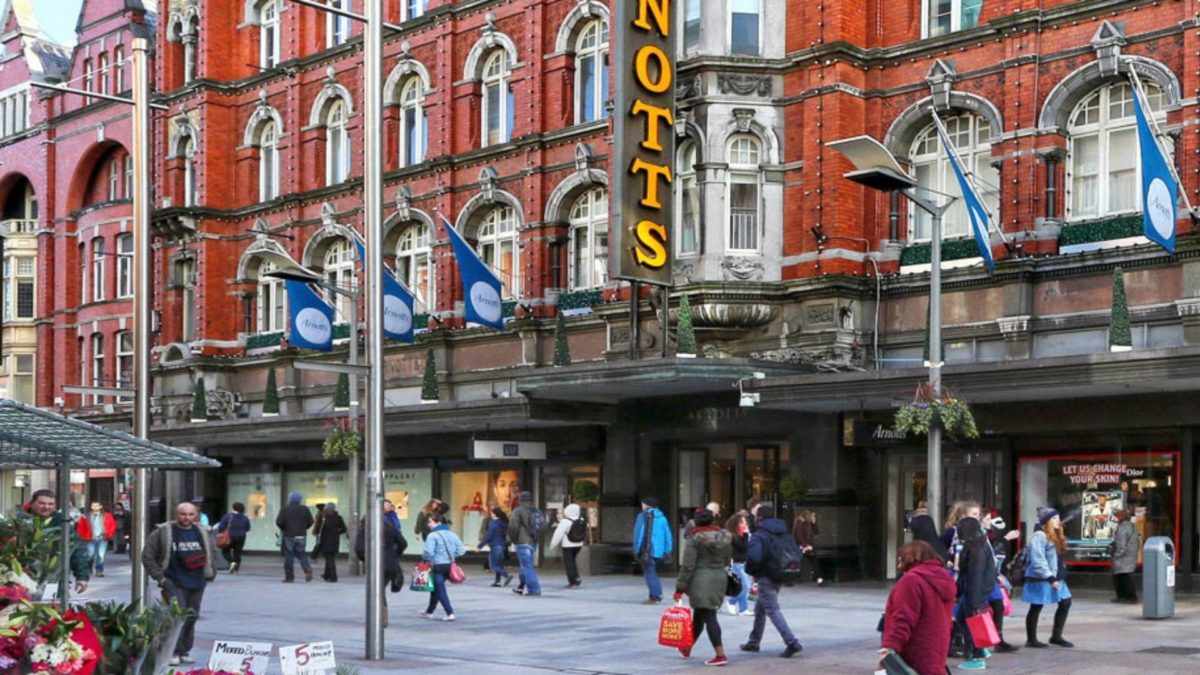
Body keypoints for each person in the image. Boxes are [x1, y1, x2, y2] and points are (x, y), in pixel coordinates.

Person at [143, 502, 216, 667]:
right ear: (177, 514)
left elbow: (212, 552)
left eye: (191, 514)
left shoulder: (202, 532)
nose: (187, 518)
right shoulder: (162, 532)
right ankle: (171, 651)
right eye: (183, 514)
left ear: (195, 515)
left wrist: (210, 573)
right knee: (176, 617)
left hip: (197, 581)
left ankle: (184, 650)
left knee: (191, 617)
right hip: (174, 581)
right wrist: (161, 578)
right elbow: (148, 556)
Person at [879, 541, 958, 675]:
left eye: (901, 560)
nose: (899, 566)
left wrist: (889, 647)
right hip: (936, 646)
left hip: (914, 648)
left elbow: (904, 619)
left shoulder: (911, 580)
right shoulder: (943, 578)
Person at [740, 504, 803, 658]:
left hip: (765, 575)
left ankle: (791, 642)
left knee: (772, 609)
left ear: (759, 518)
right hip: (780, 573)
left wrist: (751, 570)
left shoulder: (759, 535)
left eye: (755, 517)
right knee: (760, 608)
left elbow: (754, 557)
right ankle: (754, 641)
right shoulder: (783, 532)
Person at [674, 508, 734, 666]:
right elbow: (727, 560)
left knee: (708, 615)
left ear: (696, 521)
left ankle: (720, 654)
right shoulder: (724, 537)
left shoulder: (694, 539)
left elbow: (688, 566)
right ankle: (686, 648)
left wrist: (680, 588)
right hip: (719, 577)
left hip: (701, 580)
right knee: (700, 615)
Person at [20, 489, 90, 594]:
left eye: (50, 504)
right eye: (42, 503)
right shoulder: (20, 520)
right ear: (32, 503)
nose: (46, 507)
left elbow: (77, 550)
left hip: (55, 579)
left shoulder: (62, 522)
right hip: (22, 578)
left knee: (55, 607)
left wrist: (82, 576)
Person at [1022, 507, 1073, 649]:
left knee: (1065, 602)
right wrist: (1050, 578)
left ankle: (1056, 636)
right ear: (1046, 521)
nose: (1058, 521)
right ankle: (1031, 639)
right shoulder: (1039, 536)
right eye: (1054, 518)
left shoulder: (1053, 534)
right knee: (1036, 606)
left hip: (1056, 577)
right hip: (1043, 578)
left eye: (1058, 518)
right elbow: (1038, 560)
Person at [953, 516, 998, 671]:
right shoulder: (979, 544)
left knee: (972, 623)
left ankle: (977, 655)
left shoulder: (976, 550)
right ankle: (979, 650)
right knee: (963, 620)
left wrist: (974, 601)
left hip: (975, 593)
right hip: (975, 592)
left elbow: (974, 577)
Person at [354, 511, 408, 627]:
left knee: (378, 591)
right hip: (390, 563)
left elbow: (359, 549)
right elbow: (403, 543)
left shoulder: (365, 531)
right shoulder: (390, 528)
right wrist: (395, 554)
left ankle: (382, 619)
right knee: (380, 589)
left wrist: (365, 559)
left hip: (375, 564)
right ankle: (383, 618)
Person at [981, 510, 1020, 653]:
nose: (989, 521)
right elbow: (989, 553)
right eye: (987, 518)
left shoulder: (990, 534)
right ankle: (967, 642)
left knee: (998, 606)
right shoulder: (979, 534)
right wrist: (1006, 539)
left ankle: (998, 640)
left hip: (991, 577)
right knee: (974, 610)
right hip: (982, 577)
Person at [420, 512, 466, 621]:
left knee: (439, 589)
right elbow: (461, 550)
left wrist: (427, 560)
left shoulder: (432, 536)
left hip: (437, 565)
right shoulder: (452, 534)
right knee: (435, 587)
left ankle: (450, 612)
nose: (428, 524)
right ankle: (429, 611)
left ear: (437, 522)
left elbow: (428, 552)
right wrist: (451, 557)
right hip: (449, 564)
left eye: (430, 522)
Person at [632, 497, 672, 604]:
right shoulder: (662, 518)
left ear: (646, 505)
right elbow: (668, 535)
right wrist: (667, 550)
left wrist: (636, 549)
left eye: (643, 504)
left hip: (646, 549)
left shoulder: (642, 516)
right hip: (658, 551)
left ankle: (655, 595)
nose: (642, 506)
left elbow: (638, 534)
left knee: (649, 572)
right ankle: (655, 594)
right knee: (652, 571)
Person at [508, 490, 542, 596]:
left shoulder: (518, 511)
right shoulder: (536, 511)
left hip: (522, 541)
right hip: (533, 541)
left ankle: (534, 589)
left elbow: (513, 527)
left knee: (527, 566)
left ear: (520, 500)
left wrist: (513, 540)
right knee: (526, 565)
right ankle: (521, 586)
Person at [275, 492, 315, 583]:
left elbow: (279, 522)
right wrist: (304, 528)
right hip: (301, 535)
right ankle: (307, 568)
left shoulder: (285, 509)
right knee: (301, 554)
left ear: (290, 499)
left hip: (289, 535)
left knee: (289, 556)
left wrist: (284, 528)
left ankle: (289, 577)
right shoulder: (305, 509)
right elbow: (311, 521)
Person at [725, 508, 754, 616]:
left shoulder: (743, 535)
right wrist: (746, 535)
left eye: (745, 522)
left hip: (745, 563)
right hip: (738, 564)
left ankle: (743, 608)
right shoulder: (734, 536)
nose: (745, 524)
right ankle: (732, 601)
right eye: (742, 522)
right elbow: (743, 547)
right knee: (746, 586)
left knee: (745, 585)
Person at [549, 503, 585, 589]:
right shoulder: (582, 519)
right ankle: (576, 577)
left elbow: (558, 534)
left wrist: (552, 545)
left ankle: (573, 581)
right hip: (578, 544)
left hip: (568, 545)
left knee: (569, 563)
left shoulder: (565, 521)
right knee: (572, 561)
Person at [76, 501, 116, 577]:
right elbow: (80, 527)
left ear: (100, 507)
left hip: (102, 538)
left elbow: (112, 525)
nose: (95, 507)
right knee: (90, 555)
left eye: (96, 506)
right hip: (90, 538)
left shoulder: (107, 516)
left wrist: (109, 534)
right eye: (93, 506)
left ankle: (99, 570)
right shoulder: (86, 516)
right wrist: (83, 536)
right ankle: (89, 568)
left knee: (101, 555)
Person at [1110, 508, 1139, 604]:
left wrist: (1116, 554)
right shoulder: (1131, 526)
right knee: (1125, 577)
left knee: (1122, 578)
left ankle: (1127, 597)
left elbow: (1121, 544)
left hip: (1123, 557)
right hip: (1130, 555)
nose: (1115, 518)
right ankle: (1126, 597)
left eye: (1117, 516)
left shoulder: (1123, 527)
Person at [479, 507, 513, 587]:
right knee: (499, 564)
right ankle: (497, 582)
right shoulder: (504, 523)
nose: (491, 514)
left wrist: (479, 546)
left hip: (495, 545)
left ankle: (507, 575)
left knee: (493, 566)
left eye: (492, 513)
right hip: (502, 545)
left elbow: (488, 536)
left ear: (494, 514)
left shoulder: (494, 523)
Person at [214, 502, 251, 573]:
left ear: (233, 508)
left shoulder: (228, 516)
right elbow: (248, 528)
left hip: (229, 536)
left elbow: (221, 526)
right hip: (241, 537)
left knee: (225, 551)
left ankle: (232, 562)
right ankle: (236, 568)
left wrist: (220, 532)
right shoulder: (245, 518)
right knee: (237, 553)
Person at [791, 509, 824, 586]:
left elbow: (816, 532)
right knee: (797, 561)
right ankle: (790, 579)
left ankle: (818, 578)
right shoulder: (801, 523)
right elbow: (799, 535)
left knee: (813, 561)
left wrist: (814, 523)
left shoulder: (809, 524)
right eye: (813, 516)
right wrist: (804, 545)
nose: (814, 517)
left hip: (808, 546)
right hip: (803, 546)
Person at [316, 504, 348, 582]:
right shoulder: (339, 518)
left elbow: (318, 529)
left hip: (325, 540)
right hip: (335, 541)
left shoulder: (324, 518)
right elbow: (344, 529)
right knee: (330, 558)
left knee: (329, 559)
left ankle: (333, 576)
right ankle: (326, 575)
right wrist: (337, 533)